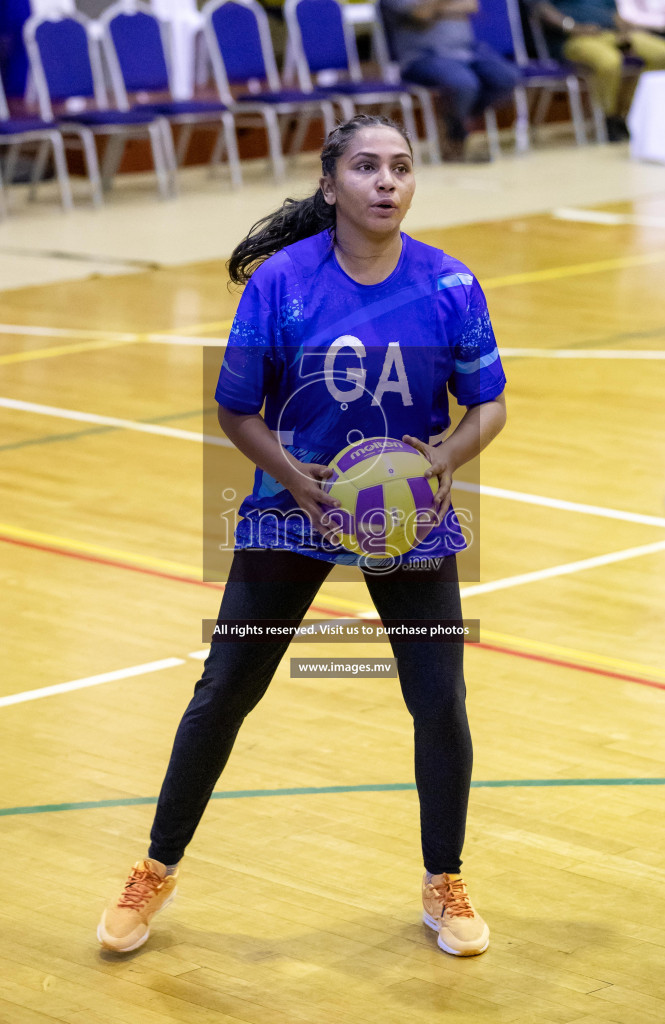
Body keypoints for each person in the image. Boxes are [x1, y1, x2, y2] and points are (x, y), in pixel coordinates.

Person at [97, 113, 507, 959]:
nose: (386, 182)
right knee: (223, 693)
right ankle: (154, 865)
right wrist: (296, 479)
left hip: (409, 521)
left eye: (400, 167)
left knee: (441, 703)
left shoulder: (451, 285)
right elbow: (234, 410)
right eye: (366, 167)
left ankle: (445, 880)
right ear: (332, 185)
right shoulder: (281, 284)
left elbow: (489, 404)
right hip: (294, 510)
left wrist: (441, 462)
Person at [380, 0, 521, 161]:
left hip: (469, 52)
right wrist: (447, 6)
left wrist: (434, 8)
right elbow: (420, 16)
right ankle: (455, 138)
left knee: (506, 77)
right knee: (463, 84)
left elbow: (470, 5)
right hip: (422, 56)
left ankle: (455, 120)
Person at [526, 0, 665, 140]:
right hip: (572, 38)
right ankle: (608, 118)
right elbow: (540, 8)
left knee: (663, 54)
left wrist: (626, 29)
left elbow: (614, 12)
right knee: (609, 62)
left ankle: (629, 113)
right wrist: (573, 27)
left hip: (610, 33)